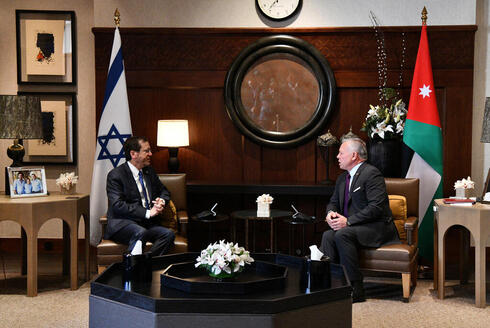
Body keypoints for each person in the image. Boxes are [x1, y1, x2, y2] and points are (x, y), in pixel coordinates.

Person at [320, 138, 399, 303]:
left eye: (341, 153)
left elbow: (376, 207)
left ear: (354, 155)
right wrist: (330, 214)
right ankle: (331, 285)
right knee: (328, 235)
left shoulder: (371, 174)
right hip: (356, 227)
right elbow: (333, 202)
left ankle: (356, 288)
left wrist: (347, 221)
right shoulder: (343, 178)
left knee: (342, 234)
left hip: (376, 227)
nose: (337, 156)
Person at [105, 136, 175, 256]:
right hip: (123, 224)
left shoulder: (149, 171)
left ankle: (145, 265)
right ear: (133, 154)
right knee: (140, 232)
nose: (151, 154)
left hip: (146, 224)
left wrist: (161, 201)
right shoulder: (116, 175)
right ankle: (133, 271)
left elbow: (164, 191)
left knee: (168, 234)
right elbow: (118, 205)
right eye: (146, 151)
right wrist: (147, 213)